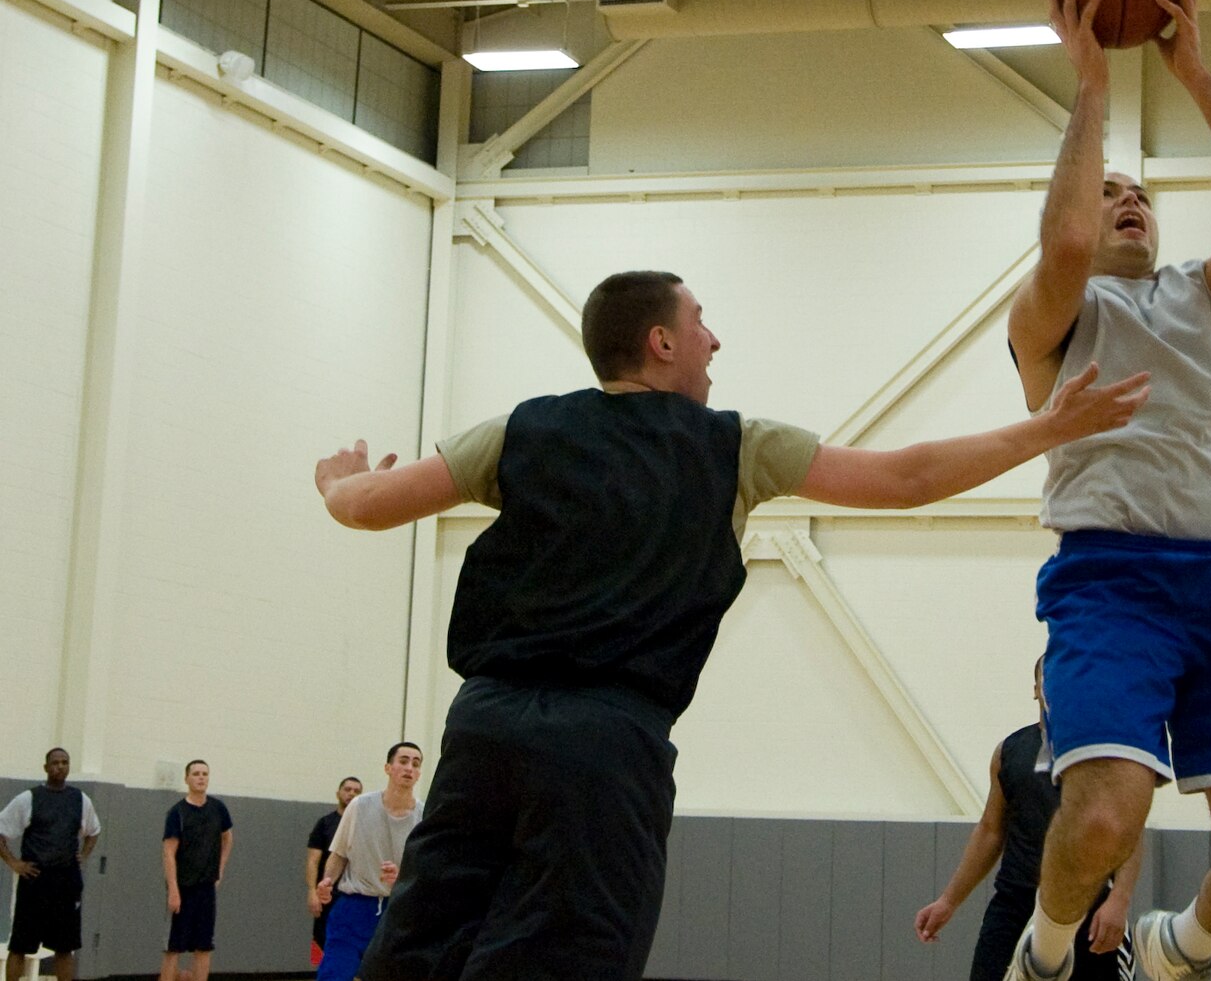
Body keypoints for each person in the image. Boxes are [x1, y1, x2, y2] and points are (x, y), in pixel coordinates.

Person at [312, 268, 1148, 981]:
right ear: (660, 342)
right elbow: (907, 476)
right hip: (606, 745)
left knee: (417, 947)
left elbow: (369, 505)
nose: (715, 341)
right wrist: (1048, 427)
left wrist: (339, 483)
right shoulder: (736, 445)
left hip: (484, 728)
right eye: (700, 323)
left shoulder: (521, 428)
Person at [1003, 0, 1211, 981]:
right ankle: (1044, 953)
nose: (1127, 199)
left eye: (1140, 192)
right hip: (1109, 578)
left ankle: (1171, 949)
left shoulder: (1204, 296)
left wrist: (1193, 72)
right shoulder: (1050, 319)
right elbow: (1059, 240)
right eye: (1108, 192)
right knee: (1098, 814)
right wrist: (1090, 83)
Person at [916, 658, 1138, 981]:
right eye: (1048, 677)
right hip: (1015, 905)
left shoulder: (1104, 753)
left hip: (1088, 909)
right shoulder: (1009, 752)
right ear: (1036, 689)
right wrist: (948, 901)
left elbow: (1130, 833)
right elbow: (990, 832)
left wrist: (1118, 900)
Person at [314, 744, 423, 981]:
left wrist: (402, 878)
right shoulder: (360, 806)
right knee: (334, 974)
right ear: (388, 767)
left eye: (415, 764)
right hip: (354, 907)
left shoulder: (424, 816)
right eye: (403, 761)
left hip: (397, 911)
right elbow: (339, 854)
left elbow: (427, 872)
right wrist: (327, 881)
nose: (409, 768)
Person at [0, 748, 101, 981]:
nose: (60, 766)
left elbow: (94, 832)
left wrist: (83, 855)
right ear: (46, 767)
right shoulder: (29, 798)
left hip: (66, 882)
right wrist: (15, 863)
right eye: (55, 762)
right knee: (20, 945)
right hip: (35, 880)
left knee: (65, 947)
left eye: (65, 762)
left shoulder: (81, 799)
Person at [159, 760, 233, 981]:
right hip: (182, 888)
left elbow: (228, 837)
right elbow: (169, 852)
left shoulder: (218, 808)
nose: (201, 777)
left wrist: (219, 870)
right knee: (174, 947)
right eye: (196, 774)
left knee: (204, 946)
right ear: (187, 778)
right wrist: (173, 889)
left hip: (206, 888)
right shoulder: (177, 812)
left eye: (205, 774)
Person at [306, 776, 363, 968]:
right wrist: (312, 891)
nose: (351, 794)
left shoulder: (364, 825)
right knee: (324, 942)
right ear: (338, 793)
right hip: (328, 895)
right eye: (348, 789)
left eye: (356, 791)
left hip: (356, 895)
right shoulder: (325, 824)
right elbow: (313, 861)